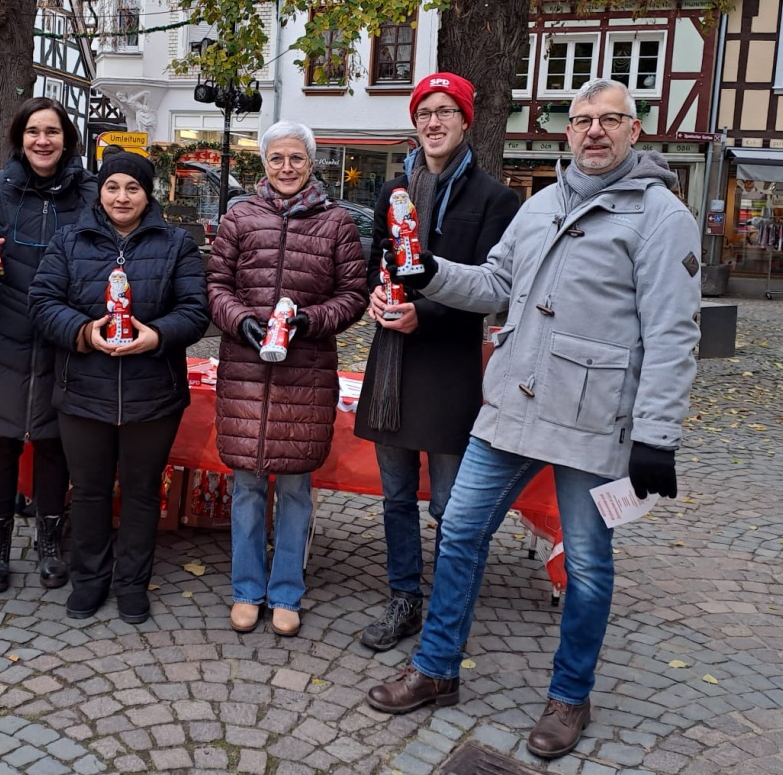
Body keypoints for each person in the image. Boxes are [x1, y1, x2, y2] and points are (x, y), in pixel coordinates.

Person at [365, 78, 702, 761]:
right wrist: (428, 271)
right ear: (567, 132)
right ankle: (436, 668)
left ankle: (569, 694)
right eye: (582, 120)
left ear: (636, 131)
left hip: (592, 419)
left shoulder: (663, 217)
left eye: (611, 119)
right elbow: (493, 284)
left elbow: (673, 334)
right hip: (513, 407)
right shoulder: (542, 203)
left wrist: (656, 437)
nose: (595, 131)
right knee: (458, 527)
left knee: (586, 563)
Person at [354, 73, 519, 652]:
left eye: (446, 111)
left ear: (466, 120)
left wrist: (425, 313)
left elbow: (496, 292)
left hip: (448, 367)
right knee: (396, 495)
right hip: (393, 364)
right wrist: (379, 296)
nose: (434, 122)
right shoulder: (393, 189)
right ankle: (404, 597)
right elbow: (380, 256)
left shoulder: (496, 200)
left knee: (452, 505)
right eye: (425, 111)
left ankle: (450, 609)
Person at [30, 152, 208, 624]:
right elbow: (43, 302)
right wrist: (85, 332)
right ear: (99, 191)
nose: (122, 196)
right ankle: (89, 580)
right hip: (84, 390)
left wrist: (159, 335)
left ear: (148, 193)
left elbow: (195, 309)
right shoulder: (71, 240)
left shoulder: (176, 244)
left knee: (142, 491)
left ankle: (131, 583)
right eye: (113, 187)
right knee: (88, 492)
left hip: (153, 393)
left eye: (133, 187)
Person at [207, 121, 368, 637]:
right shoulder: (240, 217)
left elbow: (353, 295)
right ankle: (246, 590)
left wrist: (310, 321)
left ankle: (286, 593)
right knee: (248, 485)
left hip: (305, 373)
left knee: (296, 487)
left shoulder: (336, 222)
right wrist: (240, 320)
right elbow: (215, 284)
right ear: (264, 162)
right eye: (277, 158)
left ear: (312, 162)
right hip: (247, 370)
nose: (287, 167)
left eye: (296, 158)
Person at [0, 98, 96, 593]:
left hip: (63, 337)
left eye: (52, 131)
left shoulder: (89, 194)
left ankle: (50, 544)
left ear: (67, 139)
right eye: (33, 131)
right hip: (1, 336)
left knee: (55, 445)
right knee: (3, 445)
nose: (42, 140)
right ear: (20, 137)